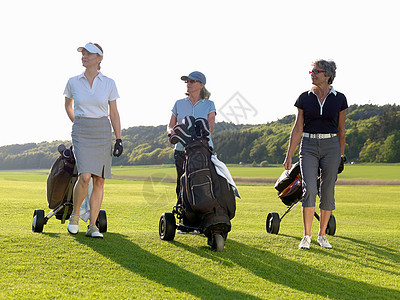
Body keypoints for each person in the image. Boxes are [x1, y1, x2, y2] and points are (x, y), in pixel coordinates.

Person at [283, 59, 348, 249]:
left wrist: (341, 156)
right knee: (309, 189)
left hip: (331, 146)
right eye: (311, 71)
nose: (312, 74)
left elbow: (341, 130)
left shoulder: (339, 98)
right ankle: (306, 236)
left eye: (316, 71)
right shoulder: (304, 98)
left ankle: (322, 235)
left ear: (327, 75)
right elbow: (297, 128)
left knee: (327, 190)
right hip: (308, 145)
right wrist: (289, 155)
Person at [64, 42, 123, 238]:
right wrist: (77, 123)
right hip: (82, 130)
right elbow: (68, 106)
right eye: (83, 53)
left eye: (89, 54)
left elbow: (113, 113)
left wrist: (119, 138)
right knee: (85, 175)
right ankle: (74, 216)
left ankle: (92, 226)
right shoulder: (73, 81)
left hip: (102, 130)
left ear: (99, 58)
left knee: (99, 179)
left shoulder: (109, 83)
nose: (84, 56)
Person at [167, 71, 216, 204]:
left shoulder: (209, 104)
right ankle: (182, 210)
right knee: (182, 182)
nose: (188, 84)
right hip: (181, 150)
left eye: (192, 81)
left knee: (204, 181)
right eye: (187, 81)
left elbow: (210, 126)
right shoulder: (179, 103)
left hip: (204, 150)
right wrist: (171, 132)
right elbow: (171, 125)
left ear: (201, 85)